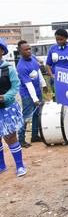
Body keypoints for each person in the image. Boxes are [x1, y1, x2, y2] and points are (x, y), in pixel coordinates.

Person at [0, 38, 28, 177]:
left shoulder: (8, 69)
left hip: (7, 108)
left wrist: (5, 97)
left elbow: (15, 86)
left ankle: (20, 166)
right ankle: (1, 165)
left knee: (10, 137)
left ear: (2, 51)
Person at [16, 40, 48, 148]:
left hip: (37, 91)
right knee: (26, 116)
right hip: (27, 94)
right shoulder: (21, 66)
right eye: (26, 50)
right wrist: (35, 99)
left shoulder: (33, 58)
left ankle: (35, 135)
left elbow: (38, 72)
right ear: (20, 51)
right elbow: (28, 84)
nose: (29, 51)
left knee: (36, 114)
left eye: (30, 48)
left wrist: (43, 84)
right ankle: (20, 139)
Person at [45, 29, 68, 101]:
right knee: (58, 100)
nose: (59, 41)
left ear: (66, 38)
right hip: (56, 81)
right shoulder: (52, 48)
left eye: (61, 39)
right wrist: (51, 75)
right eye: (57, 39)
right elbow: (48, 64)